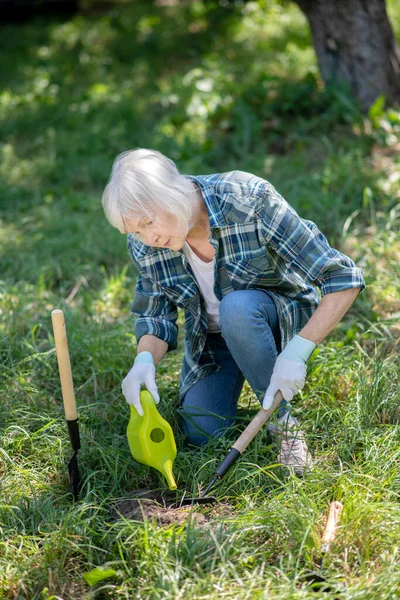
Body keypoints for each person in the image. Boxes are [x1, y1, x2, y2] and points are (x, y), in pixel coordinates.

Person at [101, 148, 365, 475]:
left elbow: (343, 279)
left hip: (273, 322)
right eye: (136, 231)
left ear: (172, 193)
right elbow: (155, 315)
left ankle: (284, 425)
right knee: (203, 433)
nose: (149, 237)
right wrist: (144, 360)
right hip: (214, 340)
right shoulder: (146, 245)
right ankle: (248, 376)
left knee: (236, 308)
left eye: (148, 222)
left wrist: (298, 351)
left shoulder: (247, 200)